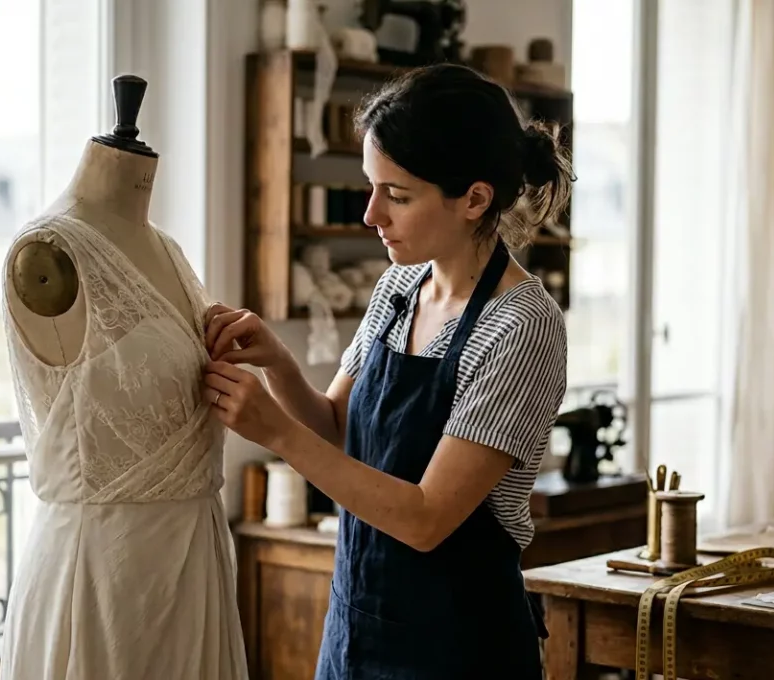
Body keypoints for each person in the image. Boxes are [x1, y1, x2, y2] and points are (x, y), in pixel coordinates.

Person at [203, 63, 572, 680]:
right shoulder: (399, 288)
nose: (372, 214)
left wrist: (274, 433)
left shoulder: (522, 325)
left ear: (474, 199)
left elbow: (426, 519)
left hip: (460, 650)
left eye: (397, 195)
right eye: (372, 187)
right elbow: (335, 429)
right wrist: (276, 361)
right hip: (355, 632)